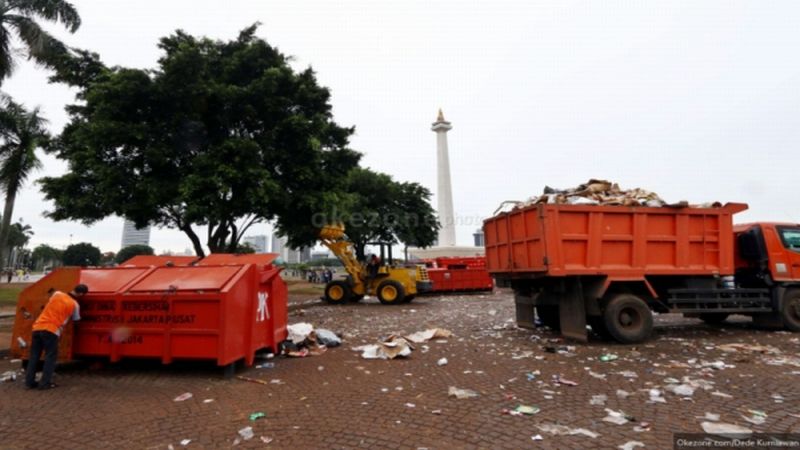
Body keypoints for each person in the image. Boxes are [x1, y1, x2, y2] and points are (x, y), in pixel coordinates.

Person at [25, 284, 89, 390]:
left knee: (34, 356)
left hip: (37, 327)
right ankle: (45, 383)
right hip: (51, 330)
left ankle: (29, 382)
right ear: (81, 294)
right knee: (50, 357)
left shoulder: (57, 294)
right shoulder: (75, 304)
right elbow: (76, 320)